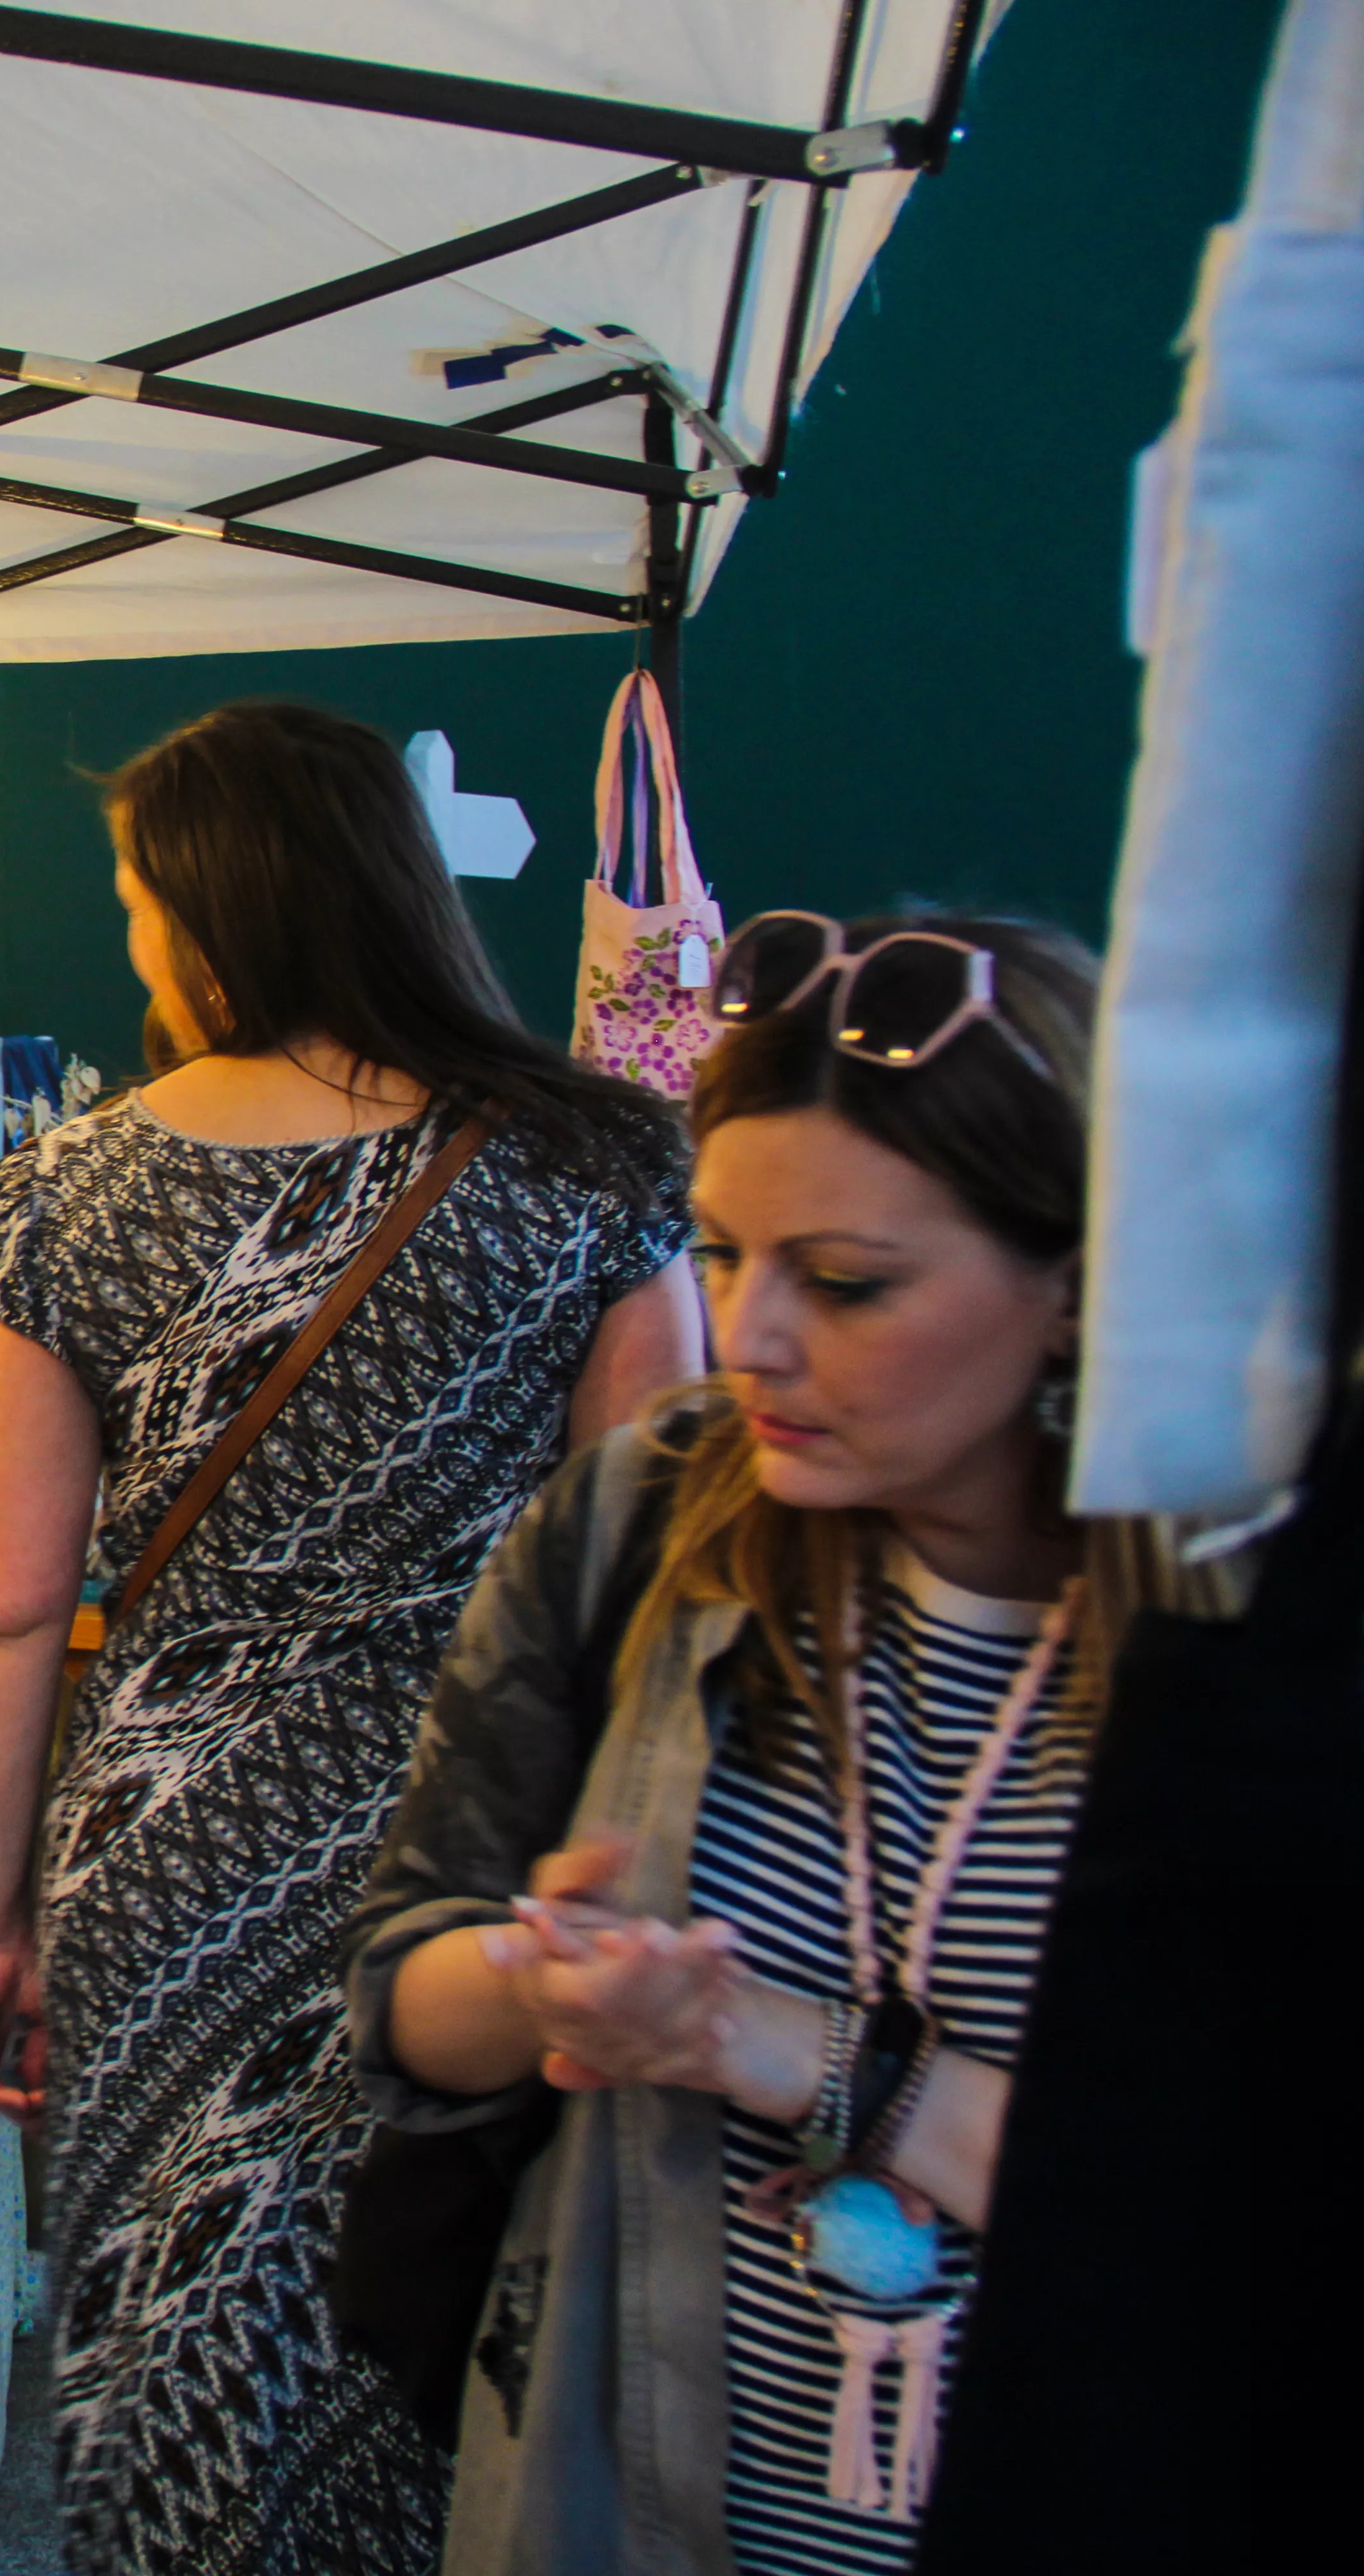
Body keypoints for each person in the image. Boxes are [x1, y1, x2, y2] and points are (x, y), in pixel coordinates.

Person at [0, 700, 703, 2573]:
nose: (135, 944)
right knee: (431, 2307)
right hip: (471, 1841)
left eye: (137, 902)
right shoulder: (598, 1171)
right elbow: (646, 1576)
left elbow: (14, 1602)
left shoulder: (60, 1198)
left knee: (175, 2321)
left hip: (166, 1847)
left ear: (208, 914)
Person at [346, 914, 1109, 2573]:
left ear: (1078, 1281)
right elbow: (406, 1985)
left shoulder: (1262, 1640)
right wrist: (538, 1981)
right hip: (639, 2494)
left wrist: (807, 2058)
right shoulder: (642, 1515)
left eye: (844, 1282)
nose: (750, 1338)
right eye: (718, 1252)